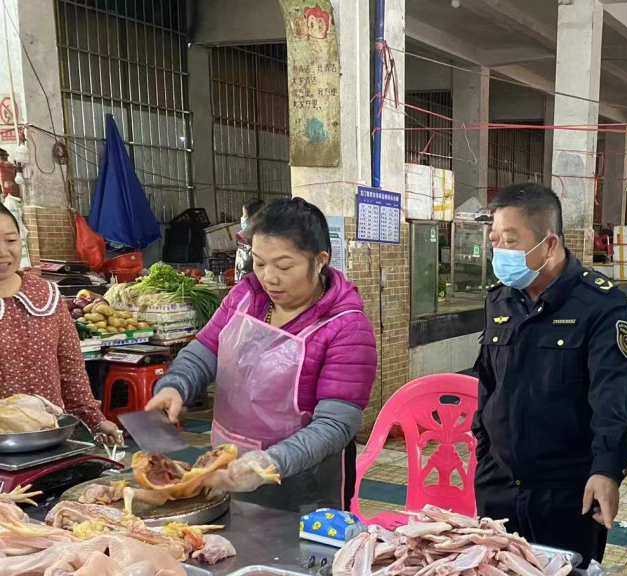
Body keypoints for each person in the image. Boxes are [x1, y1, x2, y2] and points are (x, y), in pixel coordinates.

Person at [147, 197, 376, 513]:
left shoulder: (346, 326)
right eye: (259, 262)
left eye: (283, 266)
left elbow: (337, 424)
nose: (269, 277)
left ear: (320, 260)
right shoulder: (245, 297)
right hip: (225, 471)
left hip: (301, 486)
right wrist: (174, 387)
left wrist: (270, 462)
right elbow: (203, 353)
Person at [472, 182, 627, 566]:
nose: (500, 251)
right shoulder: (500, 299)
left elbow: (612, 396)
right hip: (499, 487)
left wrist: (607, 469)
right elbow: (488, 385)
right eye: (495, 240)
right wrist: (483, 449)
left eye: (511, 240)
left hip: (567, 494)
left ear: (549, 244)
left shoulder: (599, 304)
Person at [0, 204, 121, 443]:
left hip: (49, 437)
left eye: (11, 240)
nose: (3, 252)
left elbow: (71, 368)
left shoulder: (45, 294)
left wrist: (94, 420)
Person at [234, 198, 264, 283]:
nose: (243, 218)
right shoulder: (269, 233)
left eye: (244, 215)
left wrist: (239, 285)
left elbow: (243, 267)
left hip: (250, 284)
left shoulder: (246, 237)